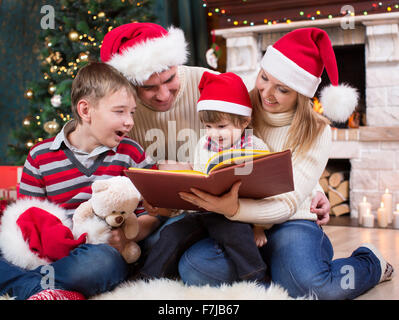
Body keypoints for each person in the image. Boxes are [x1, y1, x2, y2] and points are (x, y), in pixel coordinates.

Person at [175, 28, 394, 300]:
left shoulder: (317, 130)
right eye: (264, 77)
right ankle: (275, 270)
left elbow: (288, 202)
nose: (267, 92)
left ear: (301, 94)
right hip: (239, 225)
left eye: (283, 89)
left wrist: (234, 208)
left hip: (290, 220)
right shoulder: (241, 105)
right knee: (196, 268)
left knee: (315, 289)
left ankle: (369, 262)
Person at [99, 22, 331, 247]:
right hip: (163, 211)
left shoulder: (209, 82)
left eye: (170, 79)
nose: (163, 95)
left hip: (222, 210)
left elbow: (271, 145)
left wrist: (313, 188)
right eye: (149, 87)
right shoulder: (122, 111)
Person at [0, 62, 159, 300]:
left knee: (102, 262)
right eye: (119, 111)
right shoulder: (40, 157)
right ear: (85, 111)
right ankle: (44, 289)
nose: (129, 121)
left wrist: (128, 236)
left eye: (132, 112)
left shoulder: (132, 154)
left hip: (99, 253)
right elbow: (27, 222)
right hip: (52, 251)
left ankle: (32, 288)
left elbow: (153, 214)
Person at [139, 71, 271, 283]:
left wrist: (258, 227)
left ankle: (256, 279)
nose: (214, 133)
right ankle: (146, 279)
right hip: (202, 211)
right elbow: (200, 176)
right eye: (208, 127)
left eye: (221, 126)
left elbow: (264, 193)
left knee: (234, 234)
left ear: (244, 121)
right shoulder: (203, 144)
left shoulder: (255, 146)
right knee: (170, 234)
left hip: (236, 215)